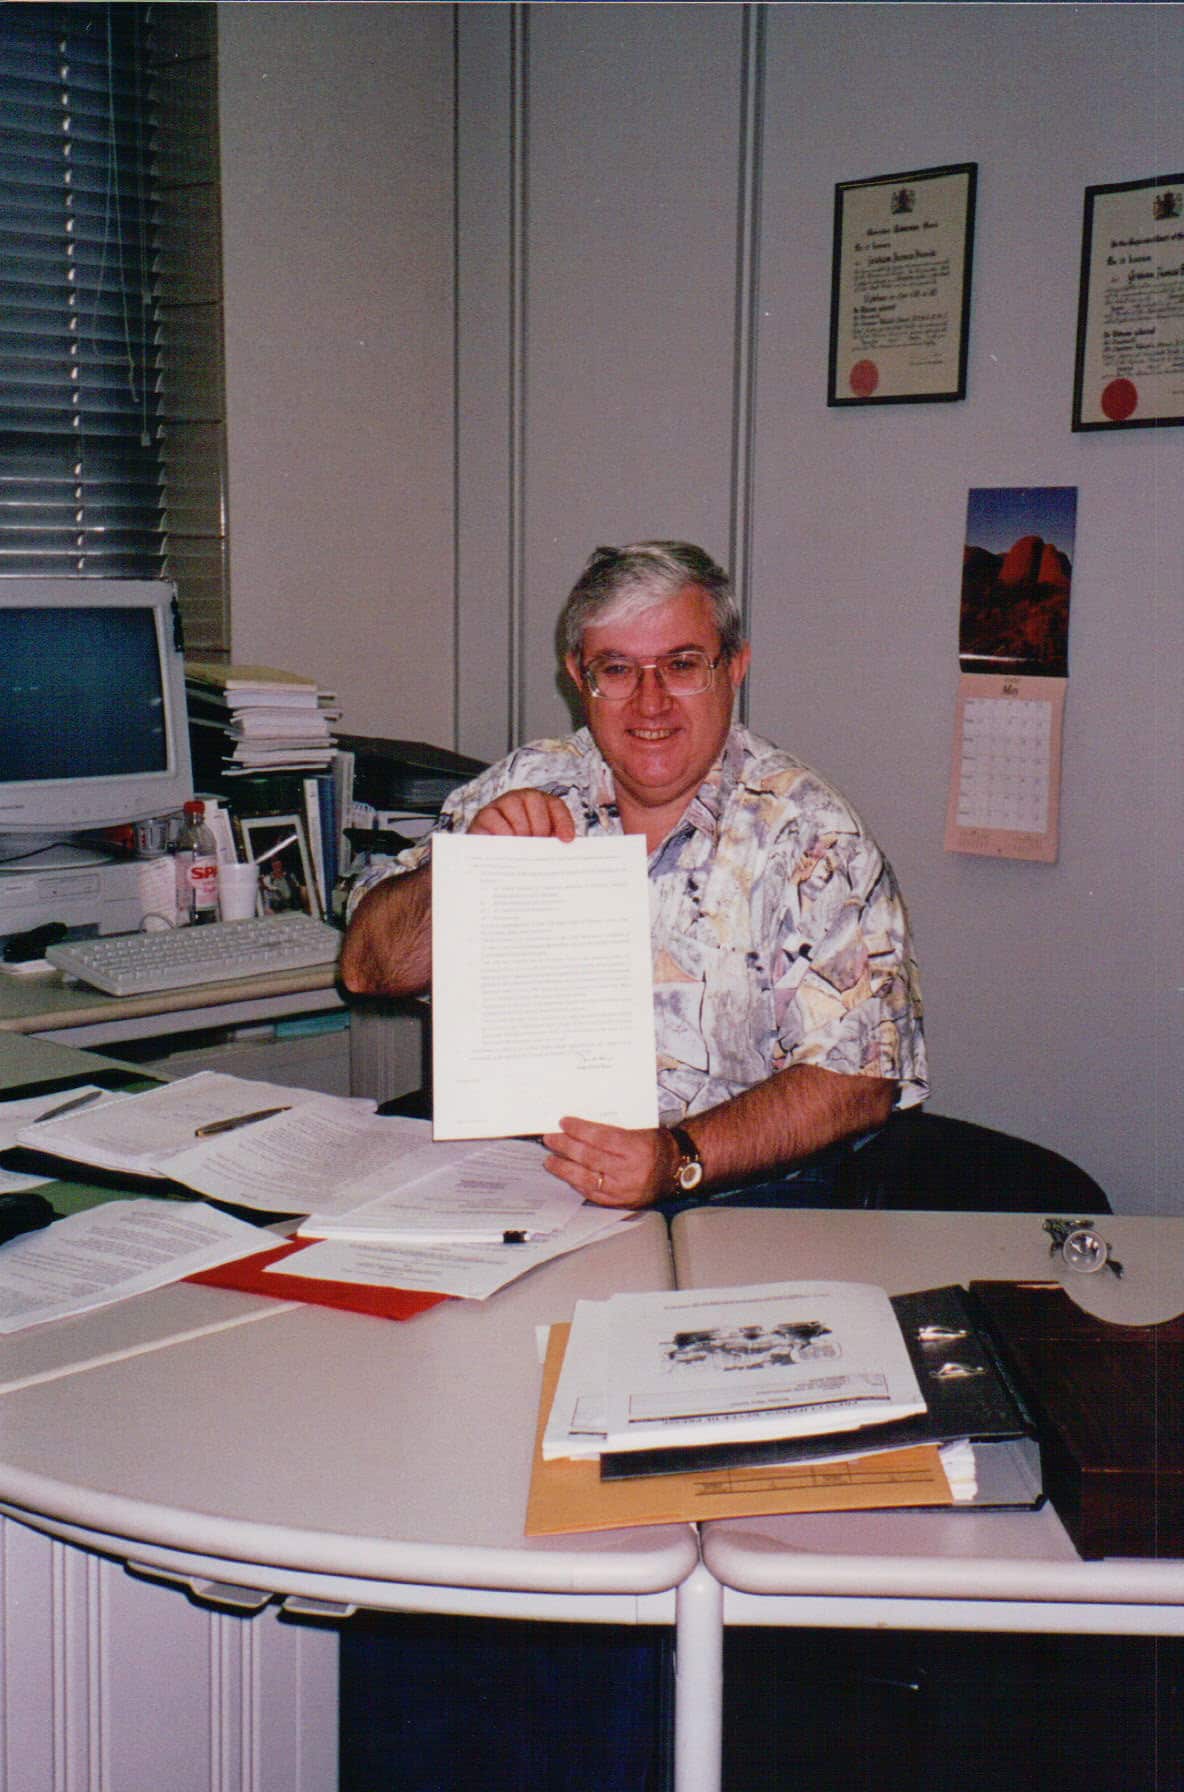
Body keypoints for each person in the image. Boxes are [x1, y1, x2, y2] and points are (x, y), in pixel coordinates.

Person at [342, 540, 927, 1213]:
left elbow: (857, 1080)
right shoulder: (527, 781)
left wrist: (678, 1159)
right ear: (577, 676)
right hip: (520, 1181)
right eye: (617, 669)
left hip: (736, 1194)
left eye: (682, 665)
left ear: (733, 668)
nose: (650, 704)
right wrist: (465, 869)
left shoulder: (811, 837)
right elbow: (368, 971)